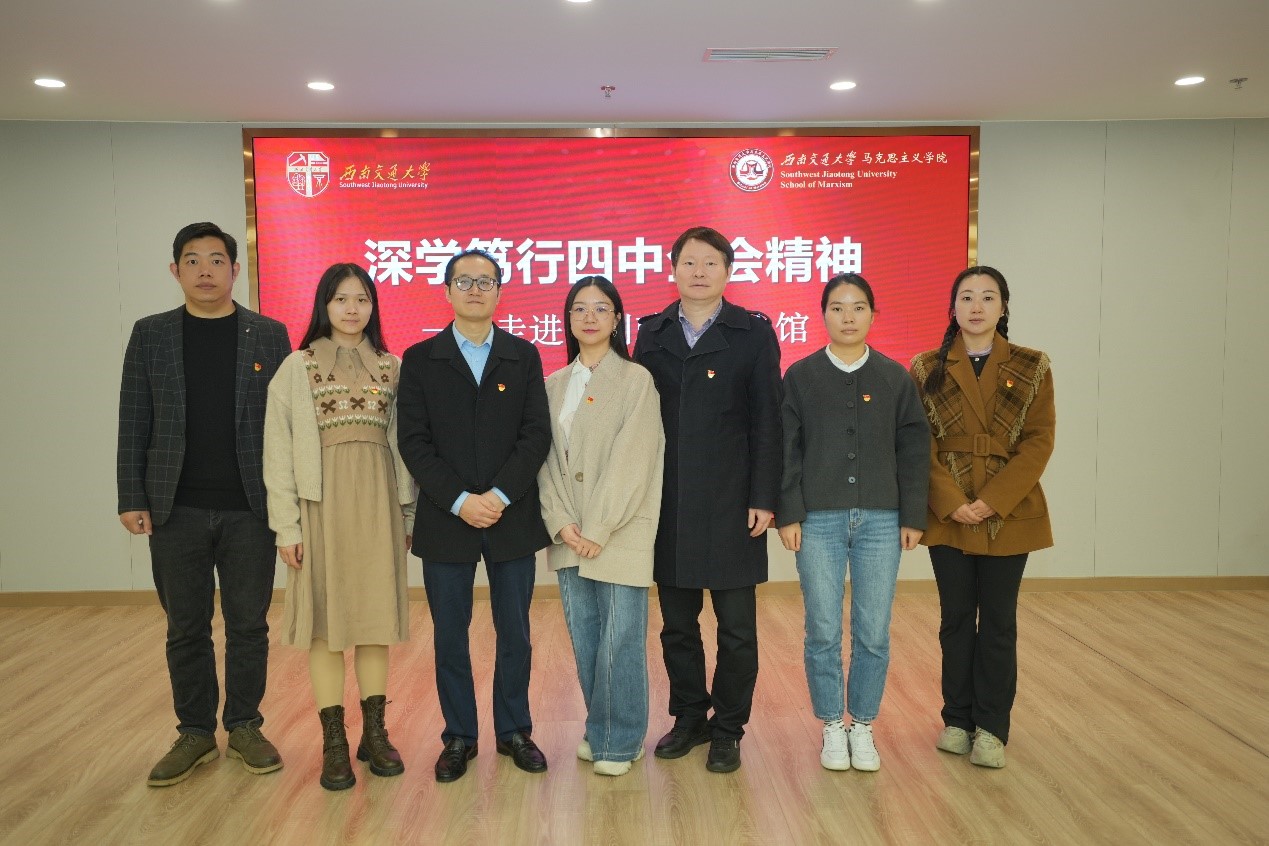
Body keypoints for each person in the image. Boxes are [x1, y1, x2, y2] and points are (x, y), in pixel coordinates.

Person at [117, 221, 291, 786]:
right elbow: (134, 417)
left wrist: (288, 504)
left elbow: (285, 427)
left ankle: (244, 725)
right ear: (176, 271)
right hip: (175, 509)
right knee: (185, 628)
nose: (205, 271)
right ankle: (194, 733)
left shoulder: (269, 334)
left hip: (250, 509)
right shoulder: (151, 334)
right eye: (192, 261)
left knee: (248, 626)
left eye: (217, 260)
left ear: (235, 270)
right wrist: (131, 495)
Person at [396, 248, 552, 783]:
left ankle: (514, 731)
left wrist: (500, 495)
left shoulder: (522, 355)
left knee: (515, 632)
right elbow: (414, 442)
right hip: (446, 519)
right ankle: (458, 736)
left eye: (486, 281)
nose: (475, 289)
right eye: (464, 281)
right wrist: (461, 500)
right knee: (450, 634)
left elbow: (536, 435)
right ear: (446, 291)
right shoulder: (421, 359)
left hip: (512, 517)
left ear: (500, 292)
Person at [633, 226, 782, 774]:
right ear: (673, 269)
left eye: (710, 263)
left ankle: (729, 729)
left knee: (737, 629)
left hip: (733, 501)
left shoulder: (753, 332)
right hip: (669, 501)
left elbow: (769, 419)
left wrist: (764, 496)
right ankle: (690, 717)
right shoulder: (651, 333)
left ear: (728, 271)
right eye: (689, 262)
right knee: (678, 626)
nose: (699, 272)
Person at [263, 263, 416, 790]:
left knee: (374, 620)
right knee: (325, 629)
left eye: (362, 299)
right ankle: (333, 742)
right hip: (319, 509)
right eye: (341, 299)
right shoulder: (298, 366)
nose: (353, 309)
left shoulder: (392, 367)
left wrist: (408, 513)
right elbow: (278, 450)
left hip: (378, 507)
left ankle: (375, 733)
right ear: (323, 306)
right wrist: (286, 526)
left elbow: (404, 447)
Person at [776, 274, 929, 772]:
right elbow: (787, 449)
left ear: (872, 314)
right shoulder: (801, 375)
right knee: (822, 628)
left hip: (882, 519)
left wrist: (913, 514)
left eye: (858, 307)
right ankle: (830, 725)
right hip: (817, 520)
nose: (848, 316)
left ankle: (861, 724)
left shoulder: (894, 377)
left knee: (873, 631)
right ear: (823, 314)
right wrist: (789, 512)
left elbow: (913, 449)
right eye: (838, 307)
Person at [909, 265, 1056, 769]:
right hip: (948, 512)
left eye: (988, 297)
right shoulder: (926, 367)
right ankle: (956, 719)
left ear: (1003, 307)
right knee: (954, 620)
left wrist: (994, 499)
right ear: (952, 307)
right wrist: (951, 500)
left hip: (1009, 511)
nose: (976, 306)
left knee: (997, 622)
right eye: (966, 297)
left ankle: (992, 727)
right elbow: (919, 442)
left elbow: (1039, 441)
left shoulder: (1033, 366)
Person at [538, 277, 664, 777]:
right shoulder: (552, 385)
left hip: (619, 529)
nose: (590, 317)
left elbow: (635, 457)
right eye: (580, 309)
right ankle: (600, 729)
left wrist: (598, 526)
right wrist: (561, 522)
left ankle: (622, 740)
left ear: (617, 320)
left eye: (601, 308)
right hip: (569, 533)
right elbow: (544, 462)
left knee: (621, 637)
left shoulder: (636, 380)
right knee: (586, 637)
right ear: (568, 320)